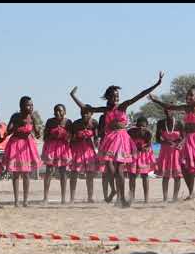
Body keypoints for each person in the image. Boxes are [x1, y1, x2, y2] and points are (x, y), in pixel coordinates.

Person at [69, 72, 163, 207]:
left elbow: (140, 94)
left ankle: (121, 197)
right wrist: (73, 96)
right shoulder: (105, 110)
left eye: (117, 96)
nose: (116, 98)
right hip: (110, 139)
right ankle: (114, 190)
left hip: (123, 139)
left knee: (119, 169)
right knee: (111, 169)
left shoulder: (123, 106)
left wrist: (157, 84)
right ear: (108, 97)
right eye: (113, 96)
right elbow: (85, 108)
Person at [3, 96, 42, 207]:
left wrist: (37, 132)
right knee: (15, 173)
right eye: (28, 105)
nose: (30, 107)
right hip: (16, 144)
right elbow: (8, 131)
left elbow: (37, 132)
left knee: (26, 173)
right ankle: (16, 200)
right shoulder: (15, 116)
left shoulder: (32, 117)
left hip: (27, 145)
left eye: (32, 105)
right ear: (21, 106)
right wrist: (17, 125)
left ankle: (25, 200)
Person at [41, 104, 72, 204]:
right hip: (51, 147)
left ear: (65, 112)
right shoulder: (50, 121)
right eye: (56, 111)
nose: (58, 113)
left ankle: (63, 198)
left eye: (60, 111)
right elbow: (44, 136)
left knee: (63, 172)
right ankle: (45, 197)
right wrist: (52, 134)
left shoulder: (68, 122)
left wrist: (65, 135)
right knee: (49, 171)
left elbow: (71, 136)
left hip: (63, 148)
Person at [69, 107, 99, 203]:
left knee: (90, 174)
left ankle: (90, 197)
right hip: (77, 149)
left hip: (89, 150)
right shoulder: (76, 123)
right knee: (74, 173)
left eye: (87, 113)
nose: (84, 115)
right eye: (82, 113)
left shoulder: (94, 123)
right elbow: (71, 138)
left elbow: (96, 138)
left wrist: (96, 141)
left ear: (91, 114)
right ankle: (72, 197)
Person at [155, 107, 184, 202]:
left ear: (174, 111)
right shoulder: (160, 123)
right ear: (164, 111)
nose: (168, 111)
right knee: (165, 176)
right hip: (165, 151)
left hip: (176, 151)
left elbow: (184, 138)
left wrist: (177, 143)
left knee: (177, 176)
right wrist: (166, 142)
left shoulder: (179, 123)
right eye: (166, 110)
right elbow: (157, 139)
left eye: (171, 109)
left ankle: (175, 198)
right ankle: (165, 198)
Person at [127, 116, 156, 203]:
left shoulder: (148, 133)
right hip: (133, 155)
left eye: (143, 126)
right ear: (136, 125)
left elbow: (149, 145)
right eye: (139, 126)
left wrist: (144, 148)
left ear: (146, 126)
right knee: (132, 176)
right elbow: (128, 142)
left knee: (145, 176)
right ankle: (132, 197)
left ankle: (146, 198)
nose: (141, 128)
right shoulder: (130, 132)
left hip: (144, 156)